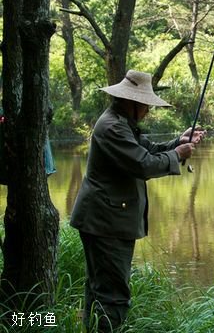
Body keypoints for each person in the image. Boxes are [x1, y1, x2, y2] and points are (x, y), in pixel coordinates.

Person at [70, 70, 204, 332]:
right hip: (105, 223)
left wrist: (180, 141)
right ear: (130, 102)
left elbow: (149, 151)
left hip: (105, 221)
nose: (148, 111)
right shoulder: (112, 127)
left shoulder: (121, 123)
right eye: (146, 105)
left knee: (100, 291)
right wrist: (177, 155)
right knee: (114, 297)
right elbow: (143, 164)